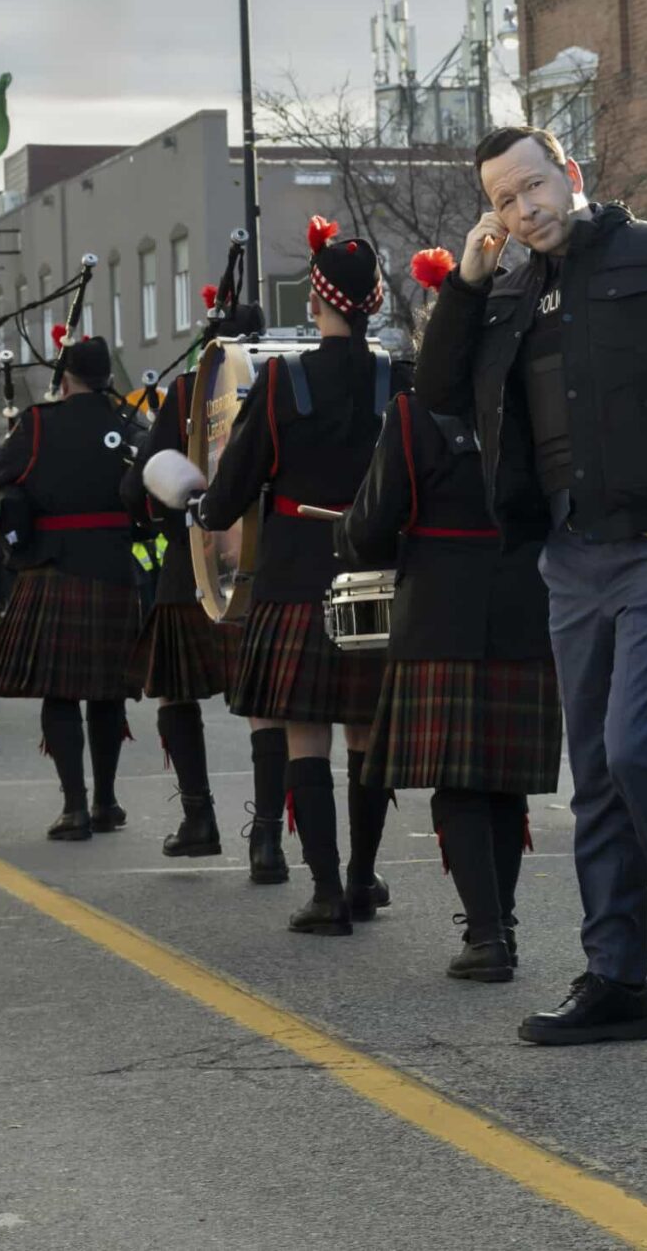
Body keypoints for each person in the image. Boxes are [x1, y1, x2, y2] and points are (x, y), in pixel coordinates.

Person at [417, 126, 647, 1050]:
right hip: (569, 555)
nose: (523, 208)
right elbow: (438, 391)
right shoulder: (507, 290)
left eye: (533, 186)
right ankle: (615, 979)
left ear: (571, 176)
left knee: (637, 751)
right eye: (502, 198)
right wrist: (465, 283)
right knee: (597, 775)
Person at [337, 246, 563, 980]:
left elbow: (369, 529)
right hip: (526, 607)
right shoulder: (534, 413)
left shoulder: (413, 417)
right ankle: (502, 928)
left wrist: (350, 530)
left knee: (460, 784)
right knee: (502, 780)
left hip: (439, 616)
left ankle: (487, 936)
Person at [199, 218, 408, 933]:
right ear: (374, 300)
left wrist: (205, 510)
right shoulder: (399, 379)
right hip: (379, 574)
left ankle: (324, 892)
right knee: (365, 736)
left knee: (305, 738)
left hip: (296, 578)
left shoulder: (282, 380)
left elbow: (233, 487)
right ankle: (361, 877)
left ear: (317, 303)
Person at [0, 336, 145, 839]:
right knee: (108, 692)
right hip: (114, 570)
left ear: (64, 379)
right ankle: (107, 801)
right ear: (108, 379)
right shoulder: (129, 425)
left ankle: (75, 808)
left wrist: (14, 497)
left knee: (61, 692)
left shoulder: (39, 425)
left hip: (54, 570)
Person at [127, 360, 234, 860]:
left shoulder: (194, 388)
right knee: (274, 711)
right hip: (271, 562)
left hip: (194, 562)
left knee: (173, 694)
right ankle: (268, 840)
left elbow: (140, 484)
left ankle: (199, 818)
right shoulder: (286, 374)